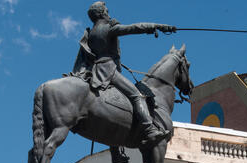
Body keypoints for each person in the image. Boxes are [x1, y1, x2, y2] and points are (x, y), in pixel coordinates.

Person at [73, 1, 176, 148]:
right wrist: (156, 26)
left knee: (117, 103)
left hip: (97, 69)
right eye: (106, 11)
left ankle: (116, 149)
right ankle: (149, 128)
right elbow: (133, 28)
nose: (108, 13)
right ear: (102, 13)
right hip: (109, 70)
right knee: (137, 95)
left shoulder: (91, 33)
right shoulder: (108, 28)